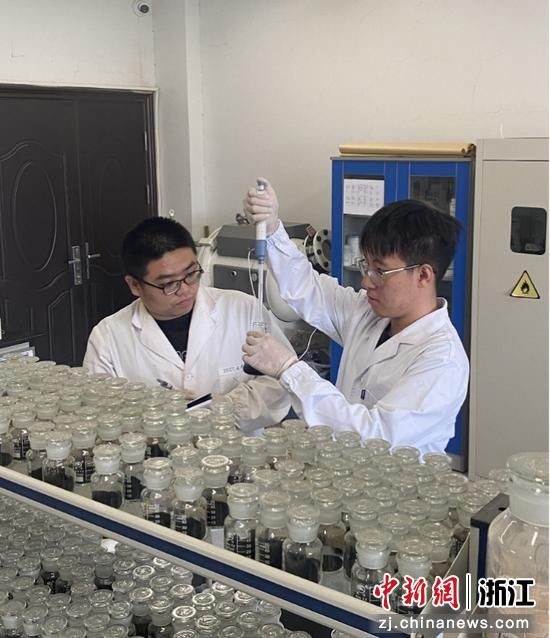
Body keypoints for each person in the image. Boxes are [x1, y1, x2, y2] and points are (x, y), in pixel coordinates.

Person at [242, 179, 469, 454]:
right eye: (365, 266)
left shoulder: (441, 359)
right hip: (343, 469)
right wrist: (272, 229)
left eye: (380, 271)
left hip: (392, 478)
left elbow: (376, 438)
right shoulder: (368, 313)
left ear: (423, 275)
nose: (366, 281)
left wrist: (289, 369)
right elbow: (308, 288)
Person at [83, 217, 292, 434]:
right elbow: (98, 412)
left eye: (191, 274)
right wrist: (151, 414)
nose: (185, 290)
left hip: (237, 448)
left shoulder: (244, 309)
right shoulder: (108, 337)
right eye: (169, 284)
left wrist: (225, 409)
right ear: (135, 285)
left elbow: (282, 381)